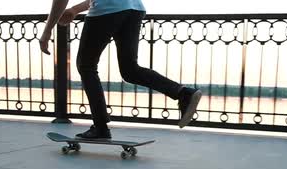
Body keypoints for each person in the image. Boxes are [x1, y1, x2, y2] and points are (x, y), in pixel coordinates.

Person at [40, 0, 202, 139]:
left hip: (107, 9)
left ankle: (101, 127)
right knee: (130, 69)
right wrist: (75, 10)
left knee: (86, 66)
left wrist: (47, 31)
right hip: (134, 9)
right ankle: (183, 93)